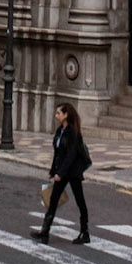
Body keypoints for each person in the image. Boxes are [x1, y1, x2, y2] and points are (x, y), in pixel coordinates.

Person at [37, 102, 92, 245]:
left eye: (58, 113)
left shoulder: (73, 133)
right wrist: (52, 171)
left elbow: (70, 156)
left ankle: (85, 232)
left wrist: (60, 173)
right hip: (62, 171)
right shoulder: (60, 131)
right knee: (53, 200)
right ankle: (44, 232)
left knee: (80, 201)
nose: (56, 116)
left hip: (72, 172)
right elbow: (58, 154)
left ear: (66, 115)